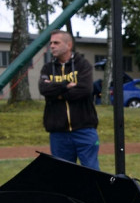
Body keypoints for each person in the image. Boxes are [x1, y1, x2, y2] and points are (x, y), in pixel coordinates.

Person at [39, 30, 100, 169]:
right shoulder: (47, 68)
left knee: (92, 173)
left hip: (84, 129)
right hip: (58, 133)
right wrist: (66, 85)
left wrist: (57, 92)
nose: (52, 46)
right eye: (51, 43)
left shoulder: (83, 65)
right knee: (64, 175)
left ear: (68, 45)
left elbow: (85, 90)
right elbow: (44, 90)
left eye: (56, 43)